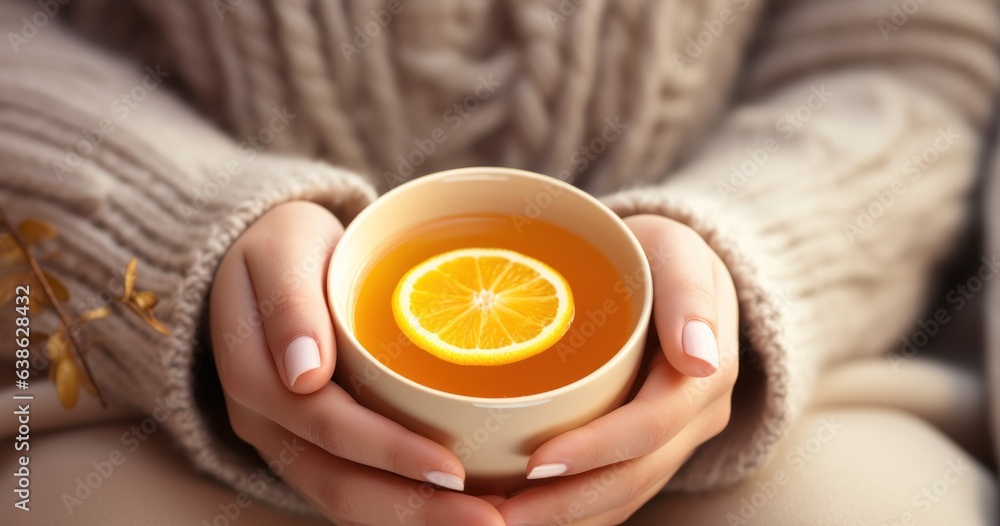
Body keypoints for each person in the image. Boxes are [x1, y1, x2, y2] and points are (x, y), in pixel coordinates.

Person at [1, 0, 997, 524]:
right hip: (147, 380)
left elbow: (905, 62)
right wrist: (160, 231)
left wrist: (748, 258)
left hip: (741, 397)